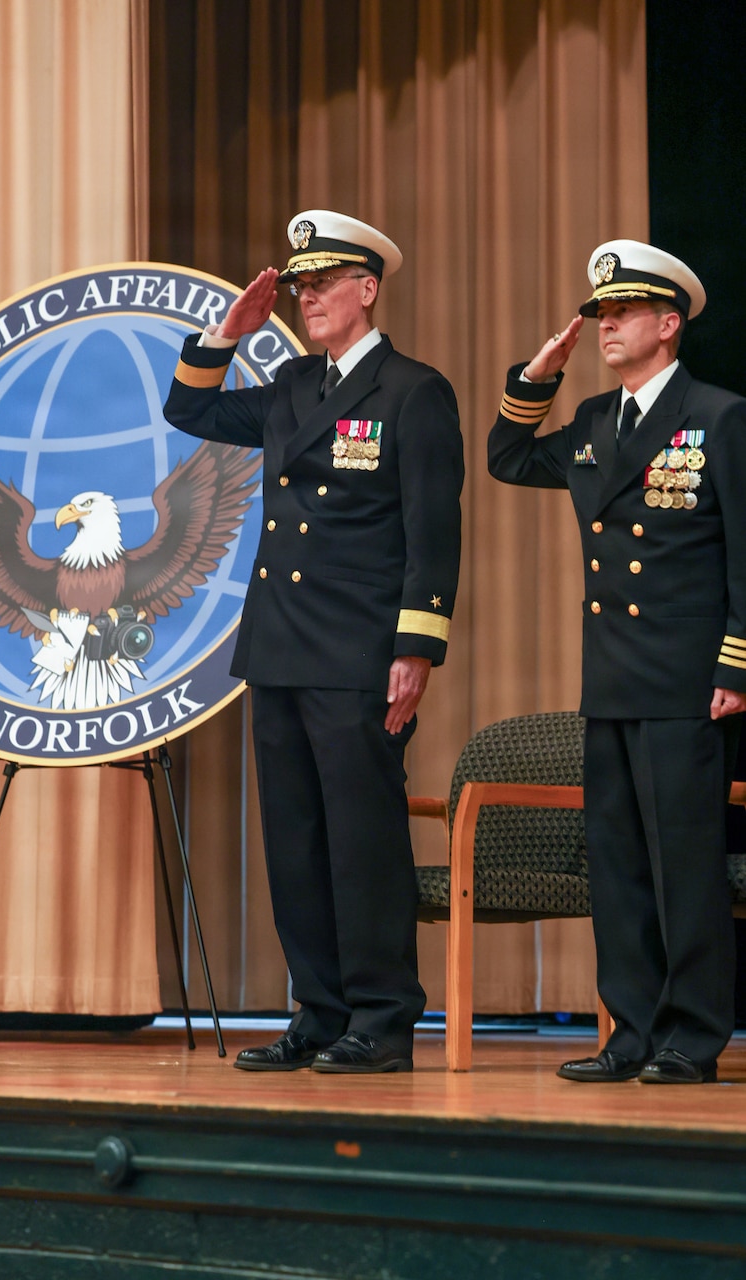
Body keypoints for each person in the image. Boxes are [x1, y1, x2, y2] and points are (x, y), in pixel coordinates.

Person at [163, 210, 464, 1073]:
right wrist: (226, 333)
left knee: (361, 836)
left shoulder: (412, 390)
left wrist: (417, 648)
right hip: (280, 644)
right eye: (298, 287)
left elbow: (431, 531)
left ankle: (381, 1016)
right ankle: (319, 1010)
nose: (305, 298)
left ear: (366, 290)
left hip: (360, 647)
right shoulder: (294, 384)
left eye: (321, 284)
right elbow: (188, 408)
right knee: (293, 836)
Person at [488, 239, 746, 1084]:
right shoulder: (597, 422)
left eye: (622, 311)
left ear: (667, 325)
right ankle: (629, 1030)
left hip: (686, 679)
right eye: (599, 311)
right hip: (611, 677)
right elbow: (509, 458)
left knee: (685, 864)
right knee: (619, 864)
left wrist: (734, 664)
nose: (604, 324)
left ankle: (690, 1035)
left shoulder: (718, 416)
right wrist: (536, 376)